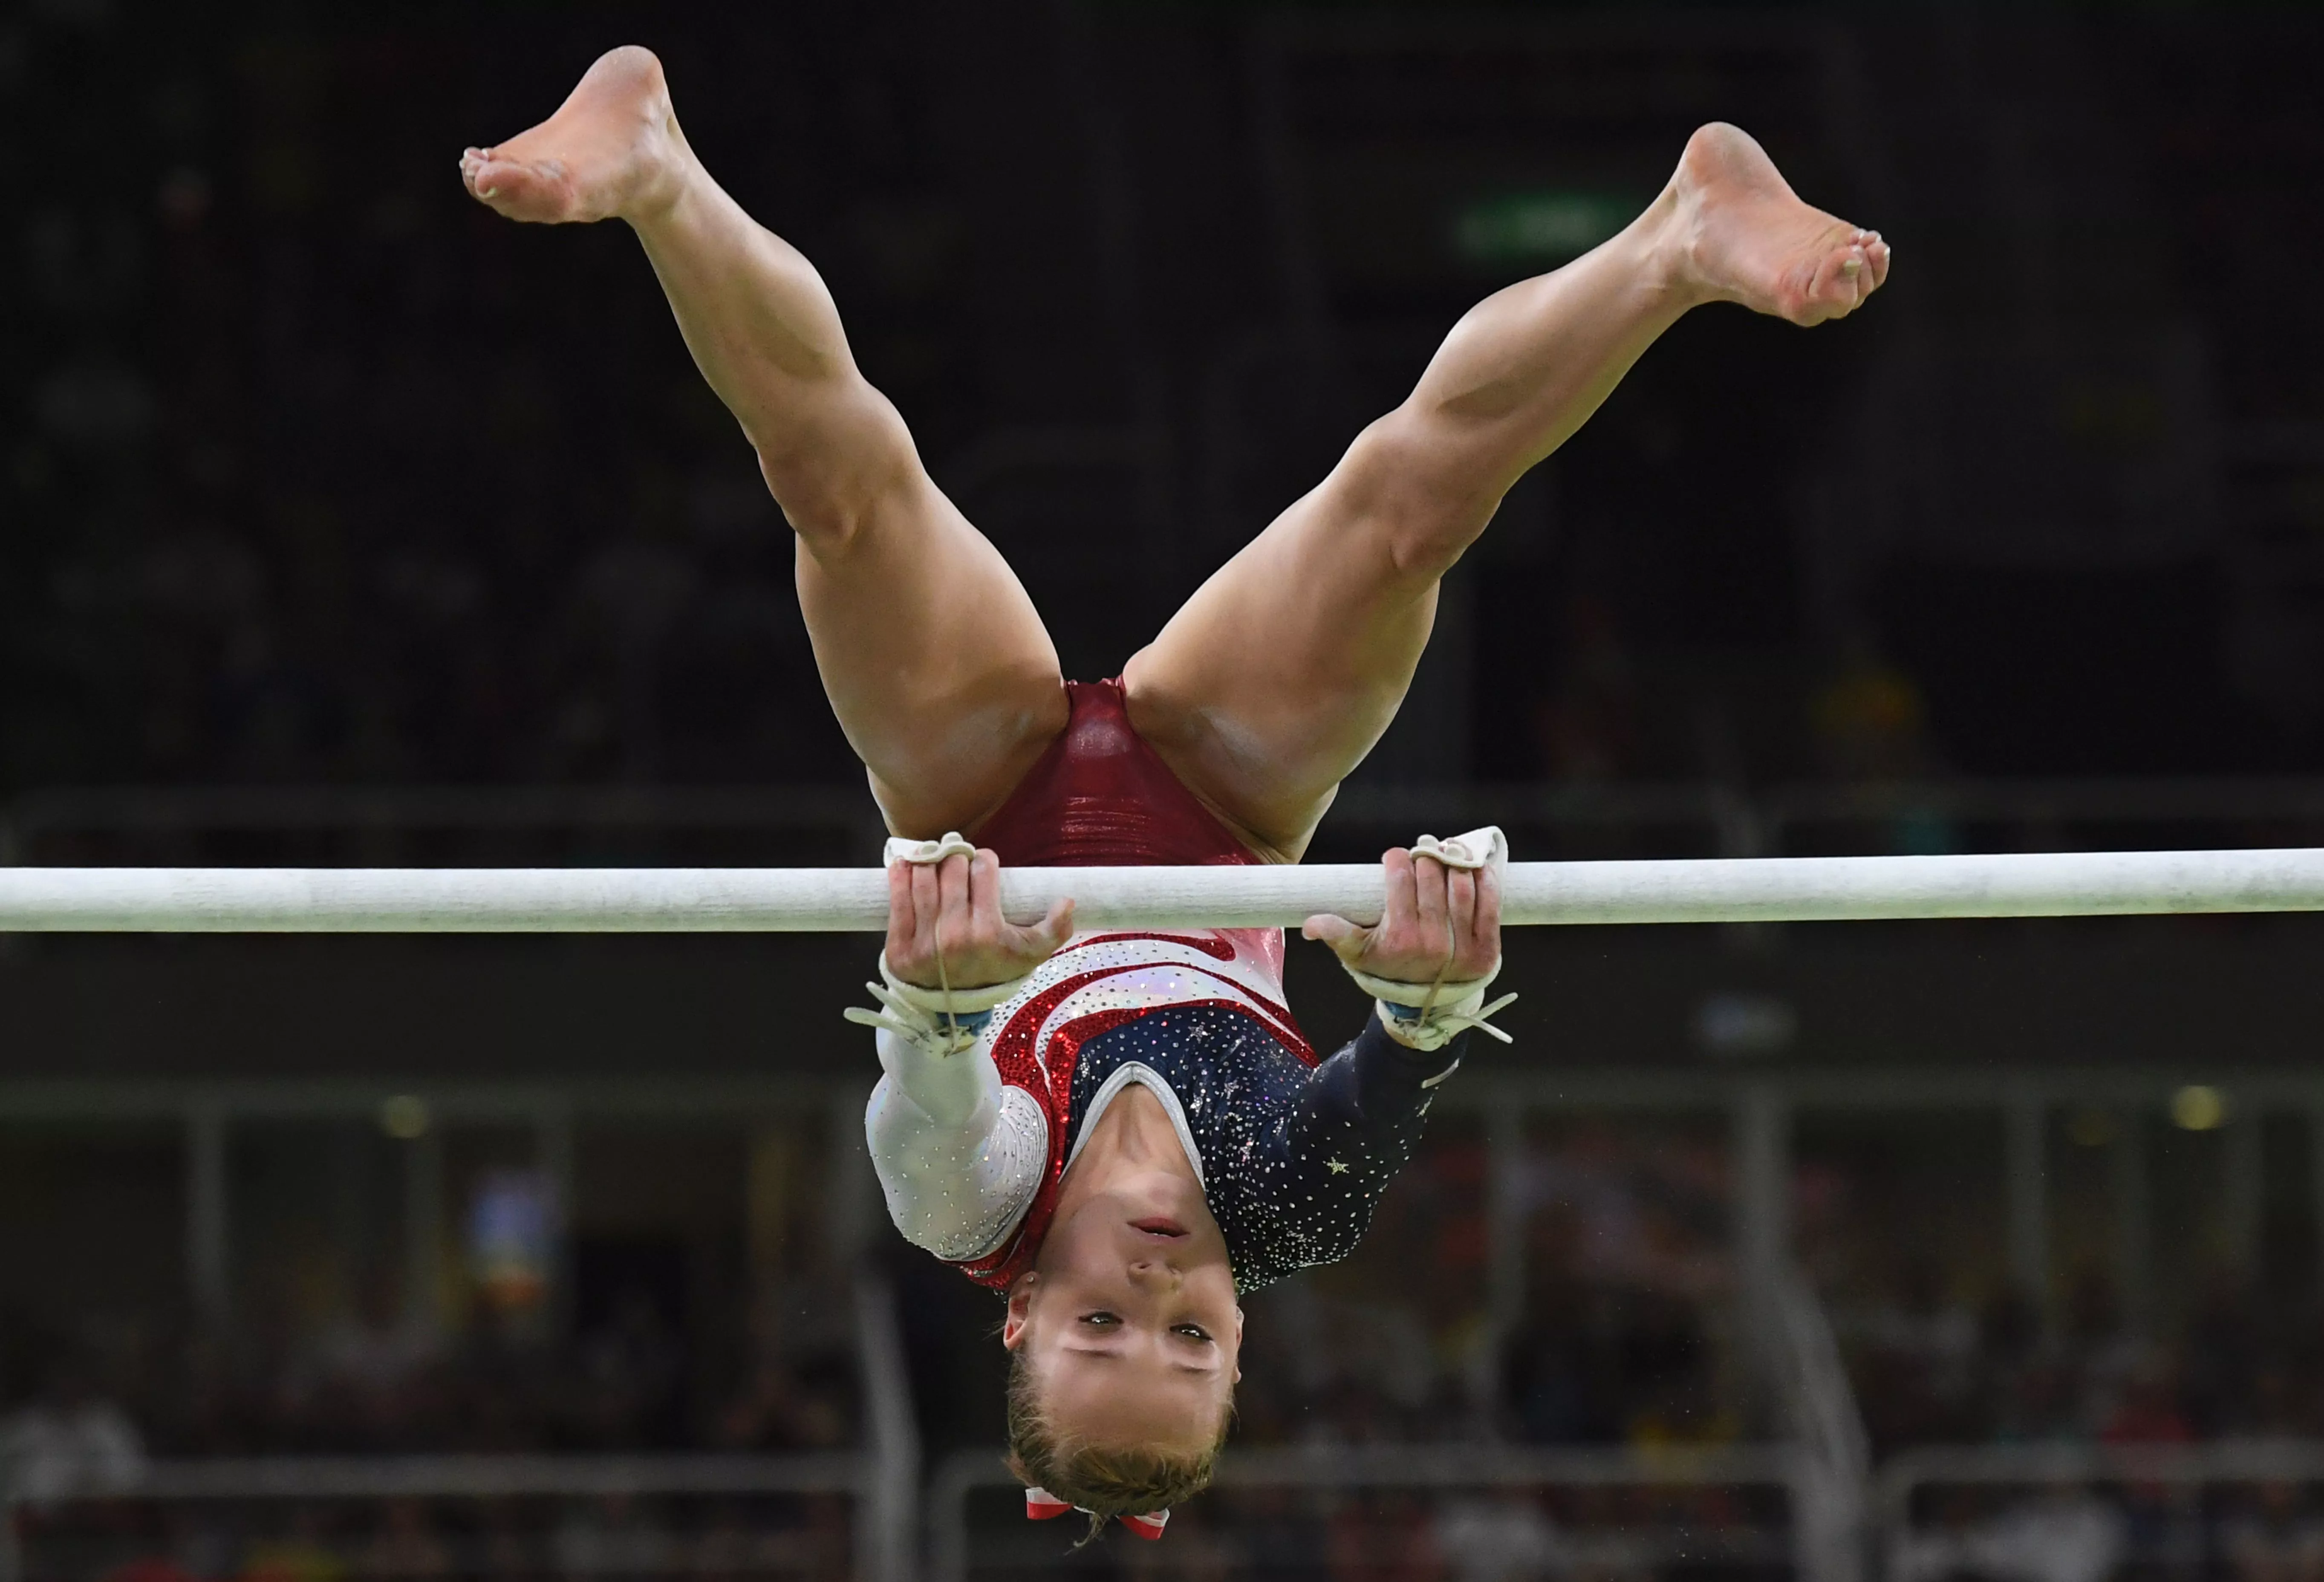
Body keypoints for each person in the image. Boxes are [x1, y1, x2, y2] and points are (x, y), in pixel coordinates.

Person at [461, 45, 1887, 1536]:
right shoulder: (1292, 1205)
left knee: (842, 482)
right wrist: (1428, 983)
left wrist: (943, 1003)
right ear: (1244, 1339)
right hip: (1225, 803)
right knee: (1405, 510)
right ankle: (1680, 236)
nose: (1152, 1294)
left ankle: (656, 173)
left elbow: (925, 1115)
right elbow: (1414, 1035)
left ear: (1019, 1322)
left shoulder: (980, 1208)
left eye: (1099, 1333)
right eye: (1192, 1340)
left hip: (982, 796)